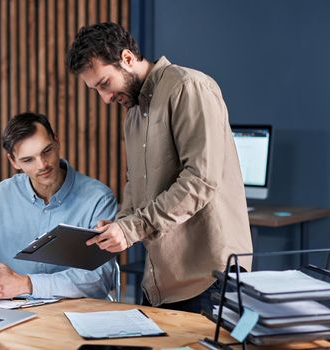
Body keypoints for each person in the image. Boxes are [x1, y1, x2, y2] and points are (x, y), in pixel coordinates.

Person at [66, 22, 252, 313]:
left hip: (208, 279)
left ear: (127, 59)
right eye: (95, 91)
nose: (104, 98)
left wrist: (131, 229)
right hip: (160, 280)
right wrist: (120, 222)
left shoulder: (188, 87)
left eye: (104, 83)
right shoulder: (132, 115)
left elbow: (200, 181)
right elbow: (135, 184)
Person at [0, 112, 117, 302]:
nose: (42, 165)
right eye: (28, 160)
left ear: (57, 142)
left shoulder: (98, 199)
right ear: (13, 161)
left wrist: (25, 284)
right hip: (11, 310)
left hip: (74, 314)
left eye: (47, 151)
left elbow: (99, 278)